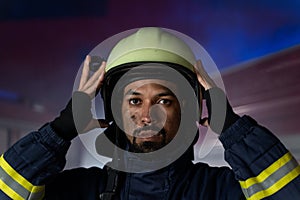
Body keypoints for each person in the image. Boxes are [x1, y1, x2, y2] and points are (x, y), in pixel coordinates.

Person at [0, 27, 299, 200]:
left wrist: (235, 131)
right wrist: (59, 131)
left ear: (190, 108)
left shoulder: (219, 190)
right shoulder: (79, 191)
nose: (147, 116)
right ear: (114, 109)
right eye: (133, 101)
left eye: (164, 101)